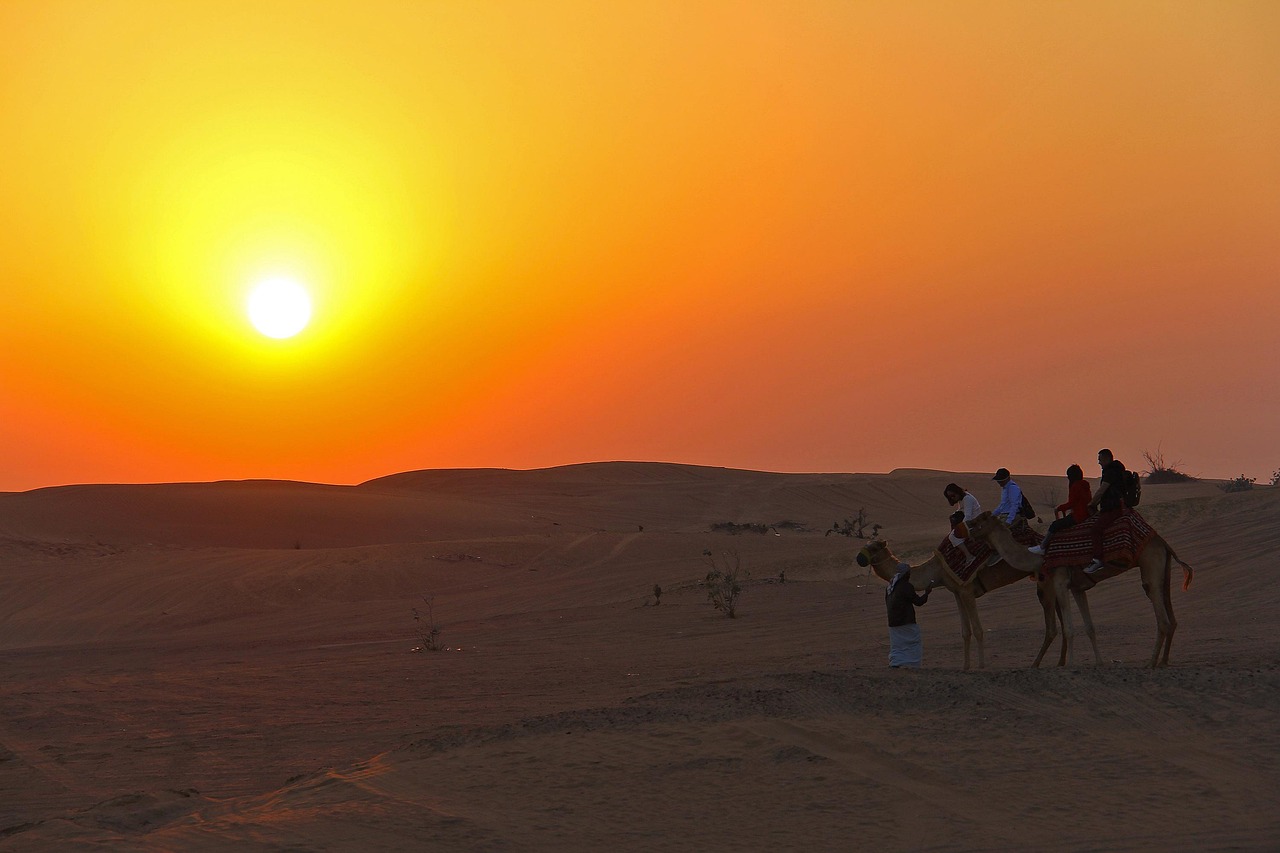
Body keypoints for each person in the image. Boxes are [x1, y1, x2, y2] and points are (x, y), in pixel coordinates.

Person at [1028, 464, 1092, 555]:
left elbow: (1072, 503)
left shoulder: (1076, 486)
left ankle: (1042, 547)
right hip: (1084, 514)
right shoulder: (1085, 486)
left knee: (1055, 525)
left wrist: (1059, 508)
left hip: (1079, 516)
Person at [1084, 449, 1127, 574]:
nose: (1099, 462)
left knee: (1095, 529)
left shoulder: (1111, 472)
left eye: (1100, 459)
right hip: (1111, 507)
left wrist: (1092, 504)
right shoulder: (1115, 470)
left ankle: (1097, 560)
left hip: (1113, 508)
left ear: (1107, 458)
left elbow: (1102, 491)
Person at [885, 562, 930, 668]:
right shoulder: (906, 586)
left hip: (893, 622)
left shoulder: (890, 588)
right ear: (906, 574)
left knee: (897, 645)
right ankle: (912, 663)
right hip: (906, 621)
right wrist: (927, 593)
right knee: (913, 642)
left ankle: (896, 663)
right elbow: (918, 602)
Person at [943, 483, 981, 562]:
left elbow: (968, 516)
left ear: (957, 492)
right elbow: (961, 510)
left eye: (953, 495)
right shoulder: (962, 498)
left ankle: (969, 556)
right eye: (950, 497)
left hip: (973, 522)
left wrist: (962, 528)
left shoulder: (967, 499)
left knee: (952, 537)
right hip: (969, 521)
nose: (952, 498)